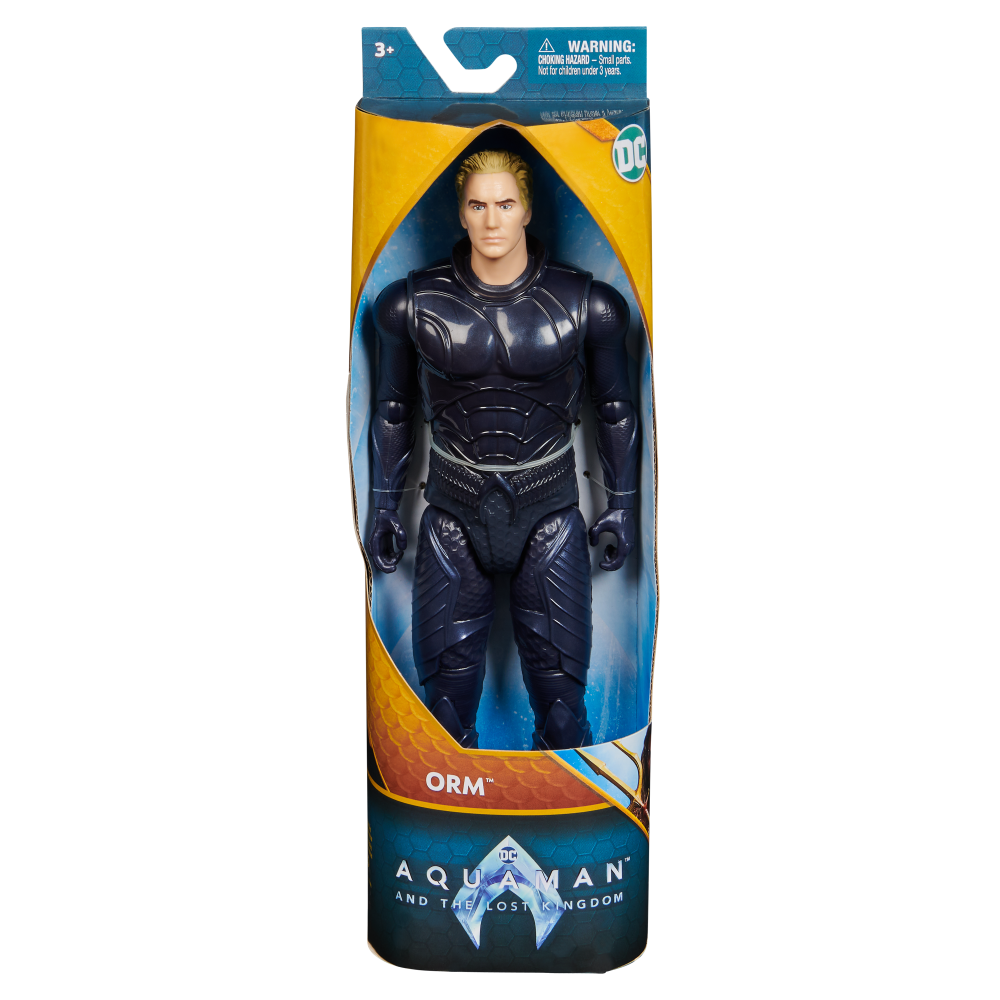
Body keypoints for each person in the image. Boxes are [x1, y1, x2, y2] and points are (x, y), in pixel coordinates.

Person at [368, 150, 638, 751]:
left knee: (564, 718)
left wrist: (622, 505)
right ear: (462, 212)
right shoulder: (411, 305)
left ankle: (569, 804)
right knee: (442, 718)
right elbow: (392, 409)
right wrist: (383, 505)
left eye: (505, 204)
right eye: (478, 205)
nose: (492, 221)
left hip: (550, 516)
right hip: (451, 517)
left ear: (527, 210)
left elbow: (616, 409)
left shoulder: (588, 305)